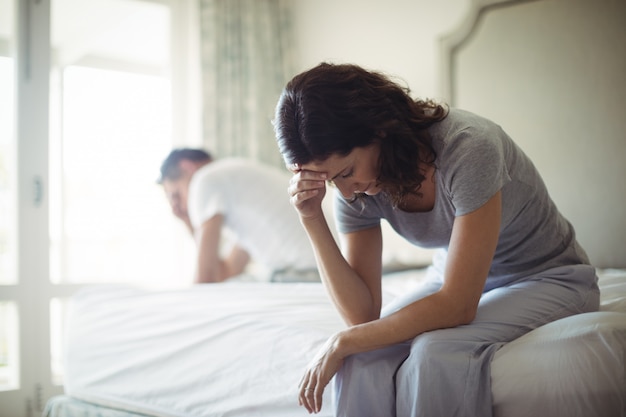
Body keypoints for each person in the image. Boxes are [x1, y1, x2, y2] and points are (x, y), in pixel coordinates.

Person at [273, 63, 599, 416]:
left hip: (549, 277)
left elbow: (458, 304)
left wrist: (342, 341)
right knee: (361, 357)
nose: (346, 192)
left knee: (436, 351)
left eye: (347, 172)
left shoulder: (469, 146)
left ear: (378, 130)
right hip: (458, 279)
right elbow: (362, 315)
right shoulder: (355, 190)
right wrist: (311, 217)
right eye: (332, 181)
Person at [158, 148, 318, 283]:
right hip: (316, 271)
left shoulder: (204, 179)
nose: (181, 206)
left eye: (176, 195)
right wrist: (187, 221)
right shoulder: (238, 189)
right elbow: (226, 271)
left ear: (187, 167)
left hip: (302, 273)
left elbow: (205, 278)